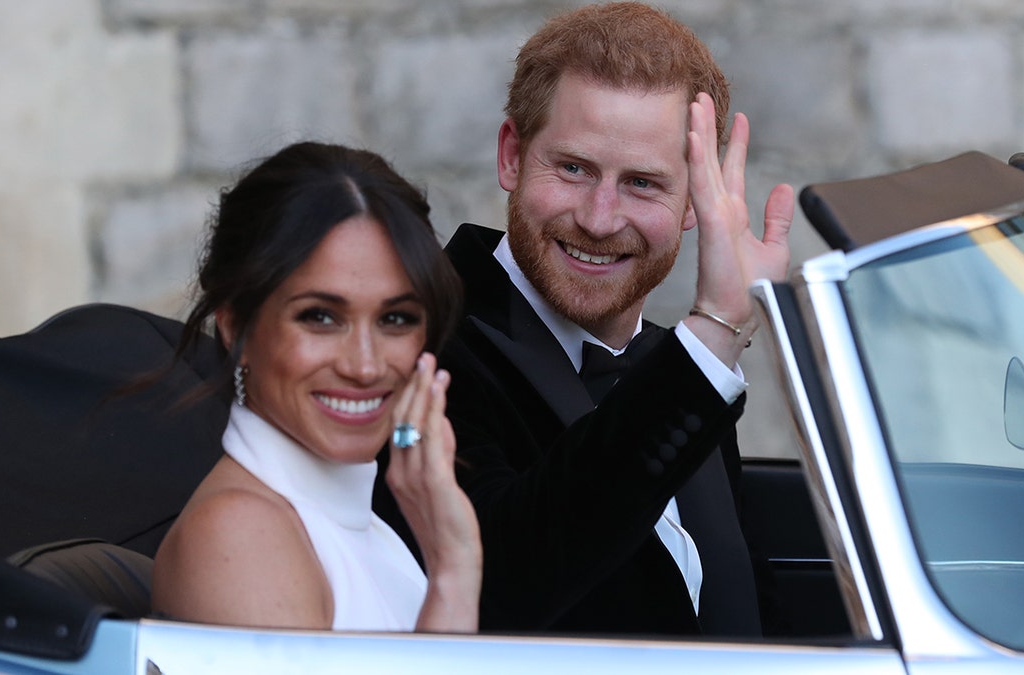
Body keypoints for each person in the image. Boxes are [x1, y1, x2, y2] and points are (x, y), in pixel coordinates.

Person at [373, 2, 794, 636]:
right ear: (512, 156)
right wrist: (714, 334)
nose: (599, 218)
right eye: (573, 169)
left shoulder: (675, 366)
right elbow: (498, 586)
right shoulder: (418, 339)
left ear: (692, 203)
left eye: (643, 183)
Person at [152, 141, 482, 633]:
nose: (365, 366)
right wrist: (454, 576)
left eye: (395, 318)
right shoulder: (240, 534)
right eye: (321, 317)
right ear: (234, 324)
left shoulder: (364, 527)